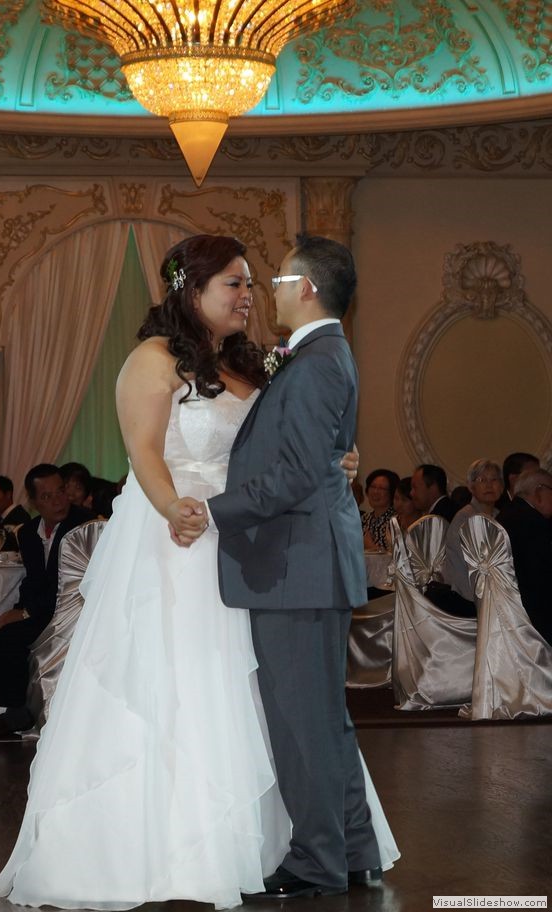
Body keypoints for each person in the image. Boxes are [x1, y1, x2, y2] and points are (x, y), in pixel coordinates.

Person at [0, 234, 397, 909]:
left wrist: (338, 459)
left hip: (244, 543)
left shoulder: (253, 363)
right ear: (190, 288)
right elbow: (144, 450)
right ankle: (183, 844)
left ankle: (296, 844)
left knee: (274, 700)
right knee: (183, 687)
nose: (248, 296)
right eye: (233, 283)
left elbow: (286, 444)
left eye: (253, 284)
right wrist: (175, 506)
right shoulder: (151, 358)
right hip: (177, 541)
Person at [174, 234, 396, 898]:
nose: (263, 292)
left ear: (305, 290)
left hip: (296, 566)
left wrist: (215, 512)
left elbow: (296, 473)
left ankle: (316, 861)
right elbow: (319, 459)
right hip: (306, 565)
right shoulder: (320, 356)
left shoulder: (318, 361)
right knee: (326, 719)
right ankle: (354, 852)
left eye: (273, 282)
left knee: (303, 722)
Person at [0, 464, 92, 736]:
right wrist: (20, 609)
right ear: (34, 502)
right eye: (47, 496)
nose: (58, 500)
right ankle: (15, 706)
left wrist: (25, 613)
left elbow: (68, 584)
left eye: (60, 491)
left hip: (72, 613)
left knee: (11, 637)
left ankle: (15, 711)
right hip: (42, 610)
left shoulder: (83, 525)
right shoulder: (28, 533)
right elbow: (35, 580)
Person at [427, 459, 503, 618]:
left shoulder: (499, 516)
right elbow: (475, 566)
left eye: (494, 479)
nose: (489, 485)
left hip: (490, 591)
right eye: (482, 480)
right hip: (465, 596)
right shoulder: (465, 517)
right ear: (471, 486)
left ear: (502, 486)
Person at [497, 468, 552, 645]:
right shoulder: (533, 522)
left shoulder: (505, 515)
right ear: (539, 492)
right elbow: (543, 576)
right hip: (534, 619)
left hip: (507, 614)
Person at [361, 468, 399, 550]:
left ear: (392, 493)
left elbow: (397, 558)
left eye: (382, 488)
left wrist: (371, 547)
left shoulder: (396, 521)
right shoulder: (364, 518)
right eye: (373, 487)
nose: (375, 492)